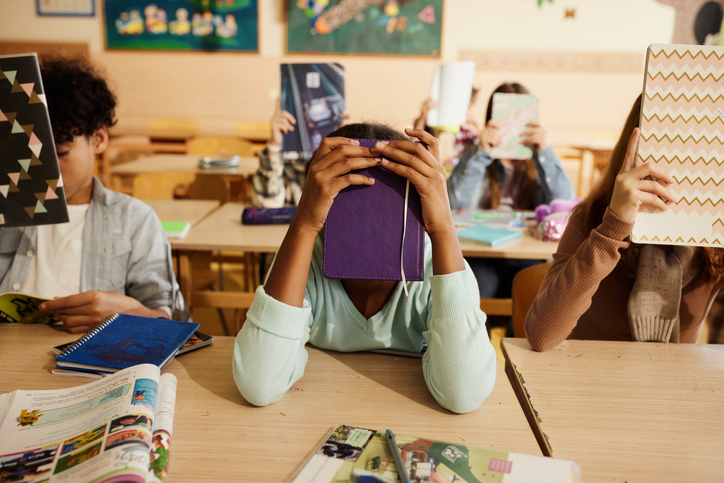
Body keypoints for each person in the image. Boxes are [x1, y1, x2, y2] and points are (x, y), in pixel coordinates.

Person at [233, 123, 496, 414]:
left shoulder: (436, 266)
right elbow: (258, 384)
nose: (369, 227)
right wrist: (305, 223)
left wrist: (443, 227)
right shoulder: (303, 263)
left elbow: (464, 394)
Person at [0, 57, 188, 333]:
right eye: (31, 154)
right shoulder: (9, 210)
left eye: (60, 152)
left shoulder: (133, 220)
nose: (46, 167)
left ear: (98, 139)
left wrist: (134, 315)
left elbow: (167, 318)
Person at [524, 95, 724, 351]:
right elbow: (541, 335)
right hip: (591, 382)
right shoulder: (591, 217)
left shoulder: (711, 230)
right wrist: (613, 227)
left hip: (677, 386)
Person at [447, 82, 575, 299]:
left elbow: (563, 204)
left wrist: (545, 151)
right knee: (474, 291)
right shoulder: (478, 159)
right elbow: (453, 204)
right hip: (484, 255)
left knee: (535, 294)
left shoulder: (539, 164)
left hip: (528, 256)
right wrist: (480, 151)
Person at [412, 87, 481, 168]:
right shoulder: (430, 123)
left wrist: (477, 125)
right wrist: (423, 116)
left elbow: (480, 150)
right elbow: (414, 141)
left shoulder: (466, 132)